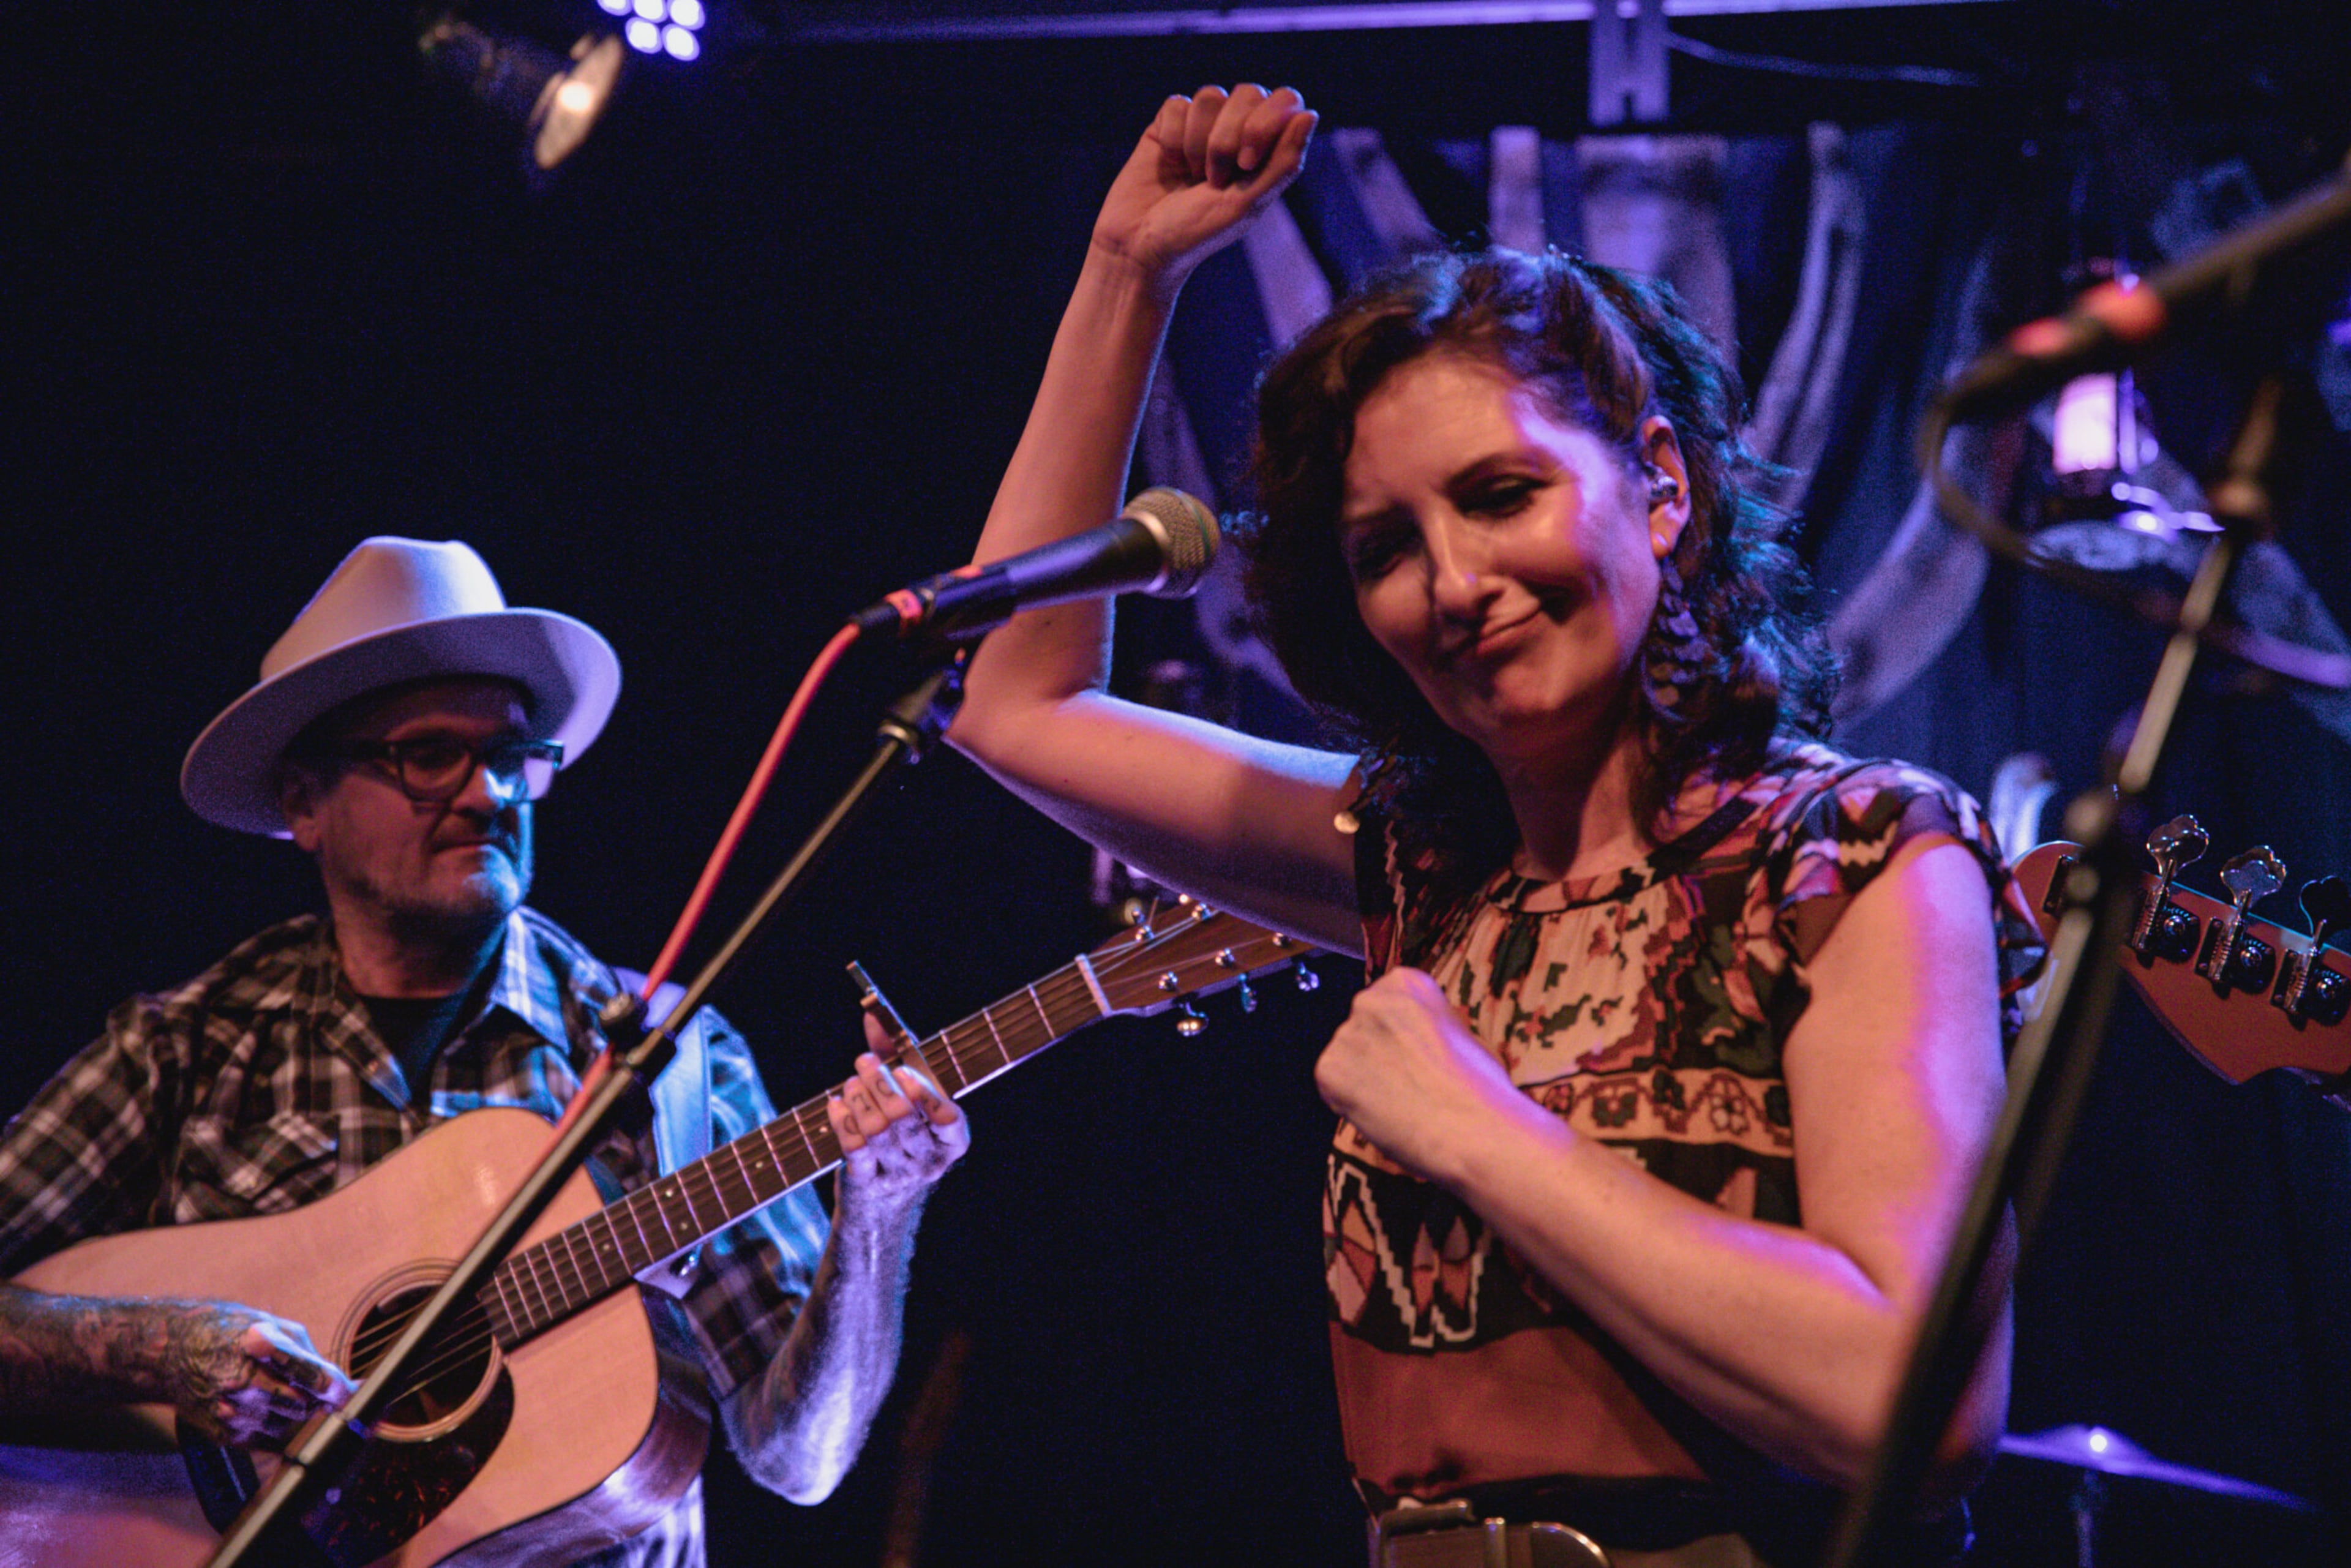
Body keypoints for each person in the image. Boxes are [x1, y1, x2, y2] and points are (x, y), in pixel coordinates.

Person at [945, 86, 2044, 1565]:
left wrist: (1479, 1131)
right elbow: (1018, 702)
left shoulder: (1853, 856)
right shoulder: (1423, 869)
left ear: (1657, 487)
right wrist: (1127, 275)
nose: (1454, 583)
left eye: (1503, 495)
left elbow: (1914, 1405)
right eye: (1389, 547)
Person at [0, 536, 966, 1566]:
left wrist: (880, 1207)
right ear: (303, 802)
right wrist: (163, 1350)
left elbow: (798, 1459)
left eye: (509, 755)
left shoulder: (667, 1058)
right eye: (427, 756)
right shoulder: (185, 1047)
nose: (488, 794)